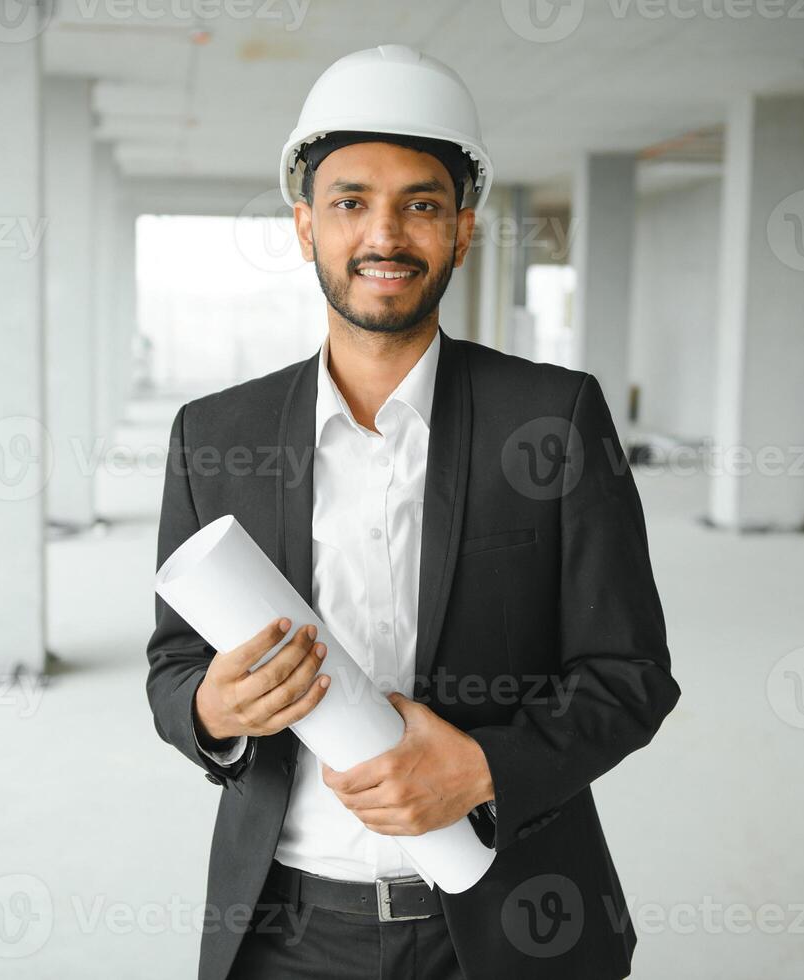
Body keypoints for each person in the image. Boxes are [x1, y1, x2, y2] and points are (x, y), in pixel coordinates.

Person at [145, 43, 681, 980]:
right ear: (304, 225)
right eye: (350, 201)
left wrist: (481, 768)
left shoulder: (551, 418)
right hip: (286, 928)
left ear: (462, 230)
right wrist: (212, 708)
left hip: (506, 915)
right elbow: (172, 665)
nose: (383, 235)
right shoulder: (212, 435)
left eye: (420, 204)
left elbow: (630, 675)